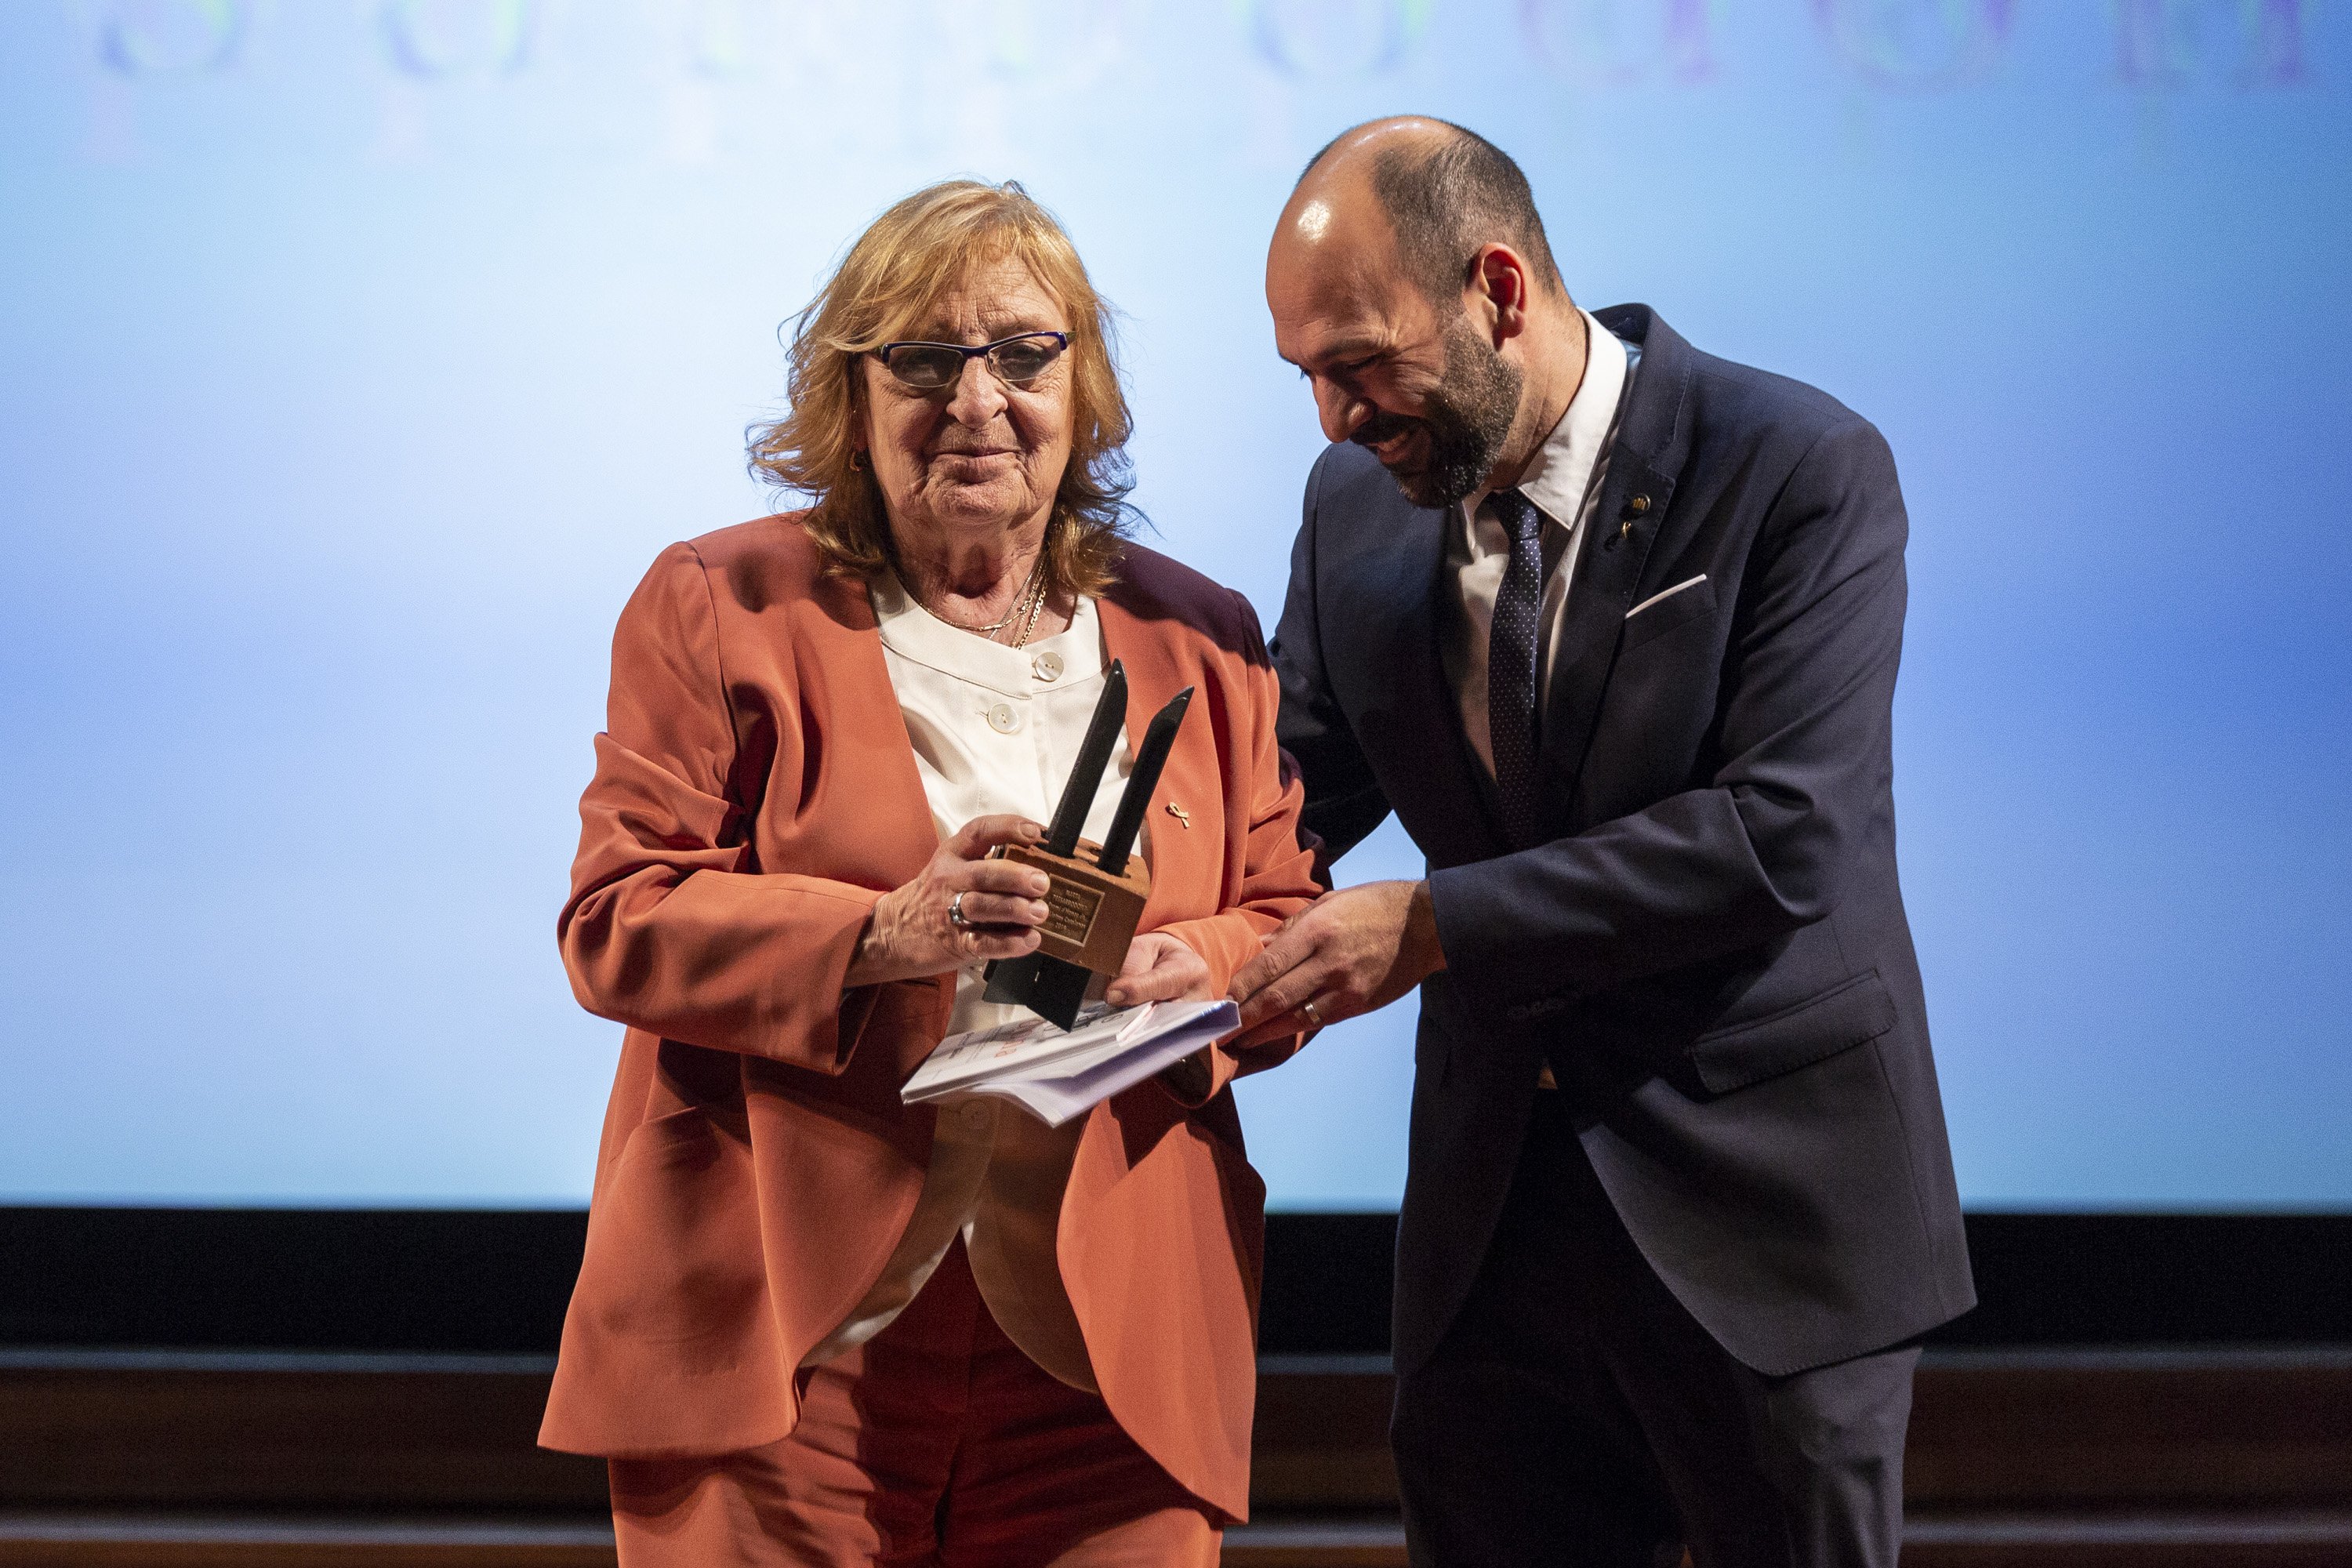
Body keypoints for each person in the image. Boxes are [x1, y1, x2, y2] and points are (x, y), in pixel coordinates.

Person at [540, 179, 1320, 1567]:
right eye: (922, 358)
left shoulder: (1201, 636)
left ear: (1083, 392)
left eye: (1024, 354)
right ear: (849, 396)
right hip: (782, 1330)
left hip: (1109, 1346)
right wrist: (882, 934)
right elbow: (618, 919)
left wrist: (1180, 966)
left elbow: (1281, 922)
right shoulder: (724, 604)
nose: (978, 400)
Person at [1229, 118, 1976, 1567]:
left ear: (1498, 288)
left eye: (1362, 362)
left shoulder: (1795, 467)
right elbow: (1284, 792)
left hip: (1764, 1228)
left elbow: (1780, 838)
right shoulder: (1357, 510)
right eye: (1307, 377)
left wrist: (1433, 926)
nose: (1334, 419)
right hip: (1491, 1233)